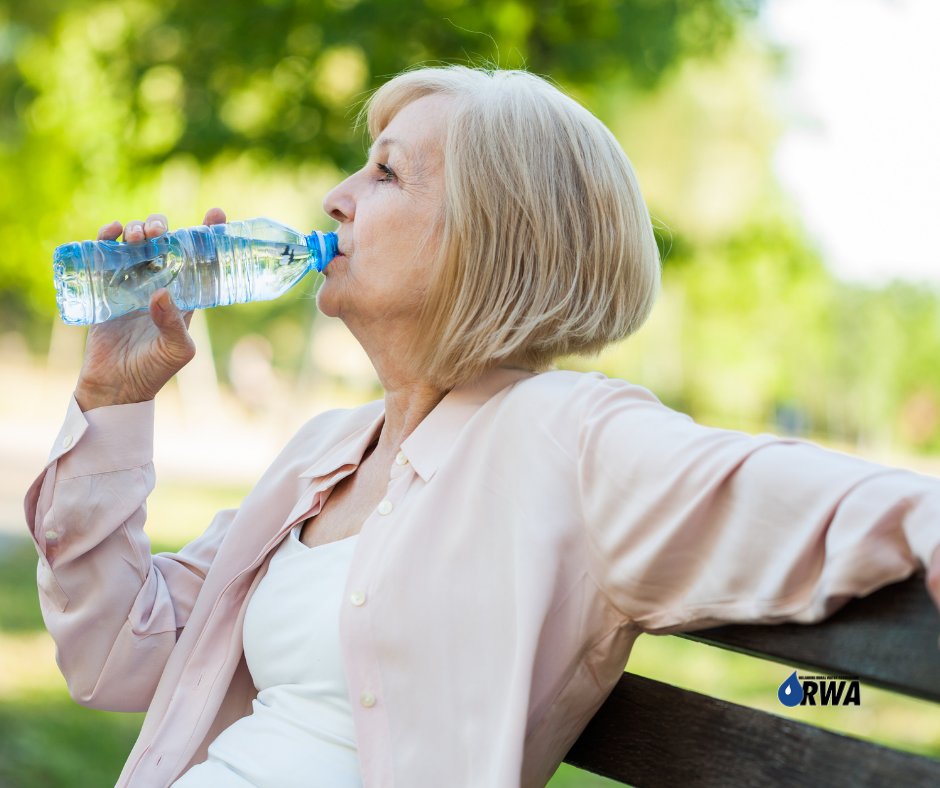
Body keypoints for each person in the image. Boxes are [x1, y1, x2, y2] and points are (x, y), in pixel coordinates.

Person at [24, 65, 940, 788]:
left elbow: (774, 493)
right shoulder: (324, 453)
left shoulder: (565, 437)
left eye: (385, 172)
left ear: (491, 236)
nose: (336, 197)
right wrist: (114, 403)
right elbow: (114, 660)